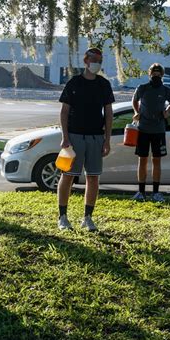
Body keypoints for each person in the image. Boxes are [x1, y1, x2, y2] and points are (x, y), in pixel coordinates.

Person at [57, 47, 114, 231]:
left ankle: (87, 218)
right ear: (85, 61)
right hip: (74, 137)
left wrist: (107, 140)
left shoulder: (104, 85)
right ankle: (63, 217)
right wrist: (65, 137)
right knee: (68, 176)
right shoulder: (74, 83)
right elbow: (64, 112)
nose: (96, 63)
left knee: (93, 177)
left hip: (96, 137)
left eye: (100, 60)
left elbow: (109, 114)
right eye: (93, 59)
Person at [131, 63, 170, 202]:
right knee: (142, 159)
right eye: (153, 73)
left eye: (158, 74)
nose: (156, 75)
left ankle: (156, 192)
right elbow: (134, 100)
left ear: (162, 75)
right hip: (143, 129)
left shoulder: (166, 90)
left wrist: (167, 112)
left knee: (156, 160)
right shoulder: (142, 88)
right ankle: (141, 192)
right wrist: (136, 112)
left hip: (158, 129)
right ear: (149, 74)